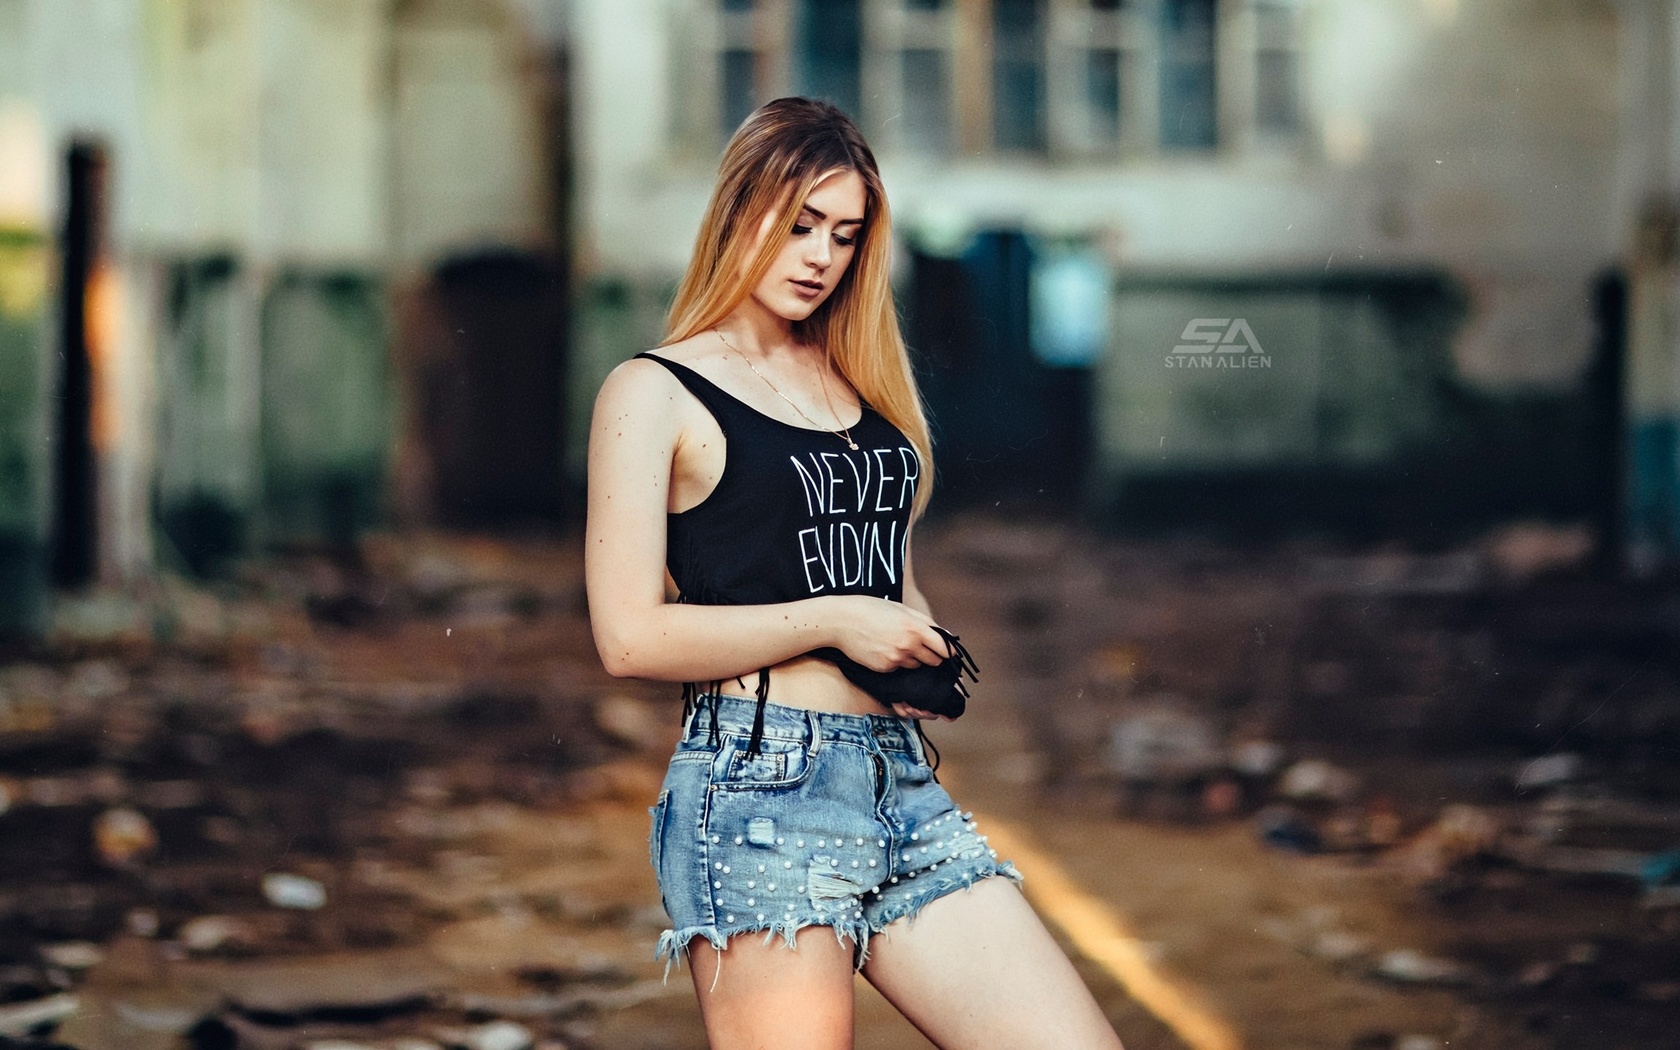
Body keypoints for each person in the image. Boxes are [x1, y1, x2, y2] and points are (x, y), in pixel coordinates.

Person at [585, 96, 1125, 1050]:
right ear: (736, 210)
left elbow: (886, 575)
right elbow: (630, 636)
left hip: (899, 788)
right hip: (760, 797)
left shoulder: (855, 382)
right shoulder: (652, 392)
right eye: (798, 225)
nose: (820, 256)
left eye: (843, 234)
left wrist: (910, 644)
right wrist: (834, 620)